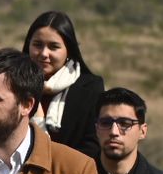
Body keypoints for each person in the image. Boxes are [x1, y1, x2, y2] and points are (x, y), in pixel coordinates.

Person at [24, 11, 105, 160]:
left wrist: (57, 166)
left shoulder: (90, 88)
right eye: (37, 45)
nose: (44, 53)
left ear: (69, 50)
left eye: (53, 47)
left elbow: (93, 143)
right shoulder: (14, 85)